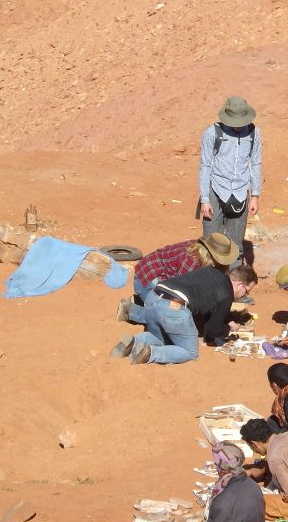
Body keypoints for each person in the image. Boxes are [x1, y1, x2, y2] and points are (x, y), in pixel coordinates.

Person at [109, 264, 257, 365]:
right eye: (247, 290)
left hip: (153, 297)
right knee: (189, 352)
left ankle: (133, 341)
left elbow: (204, 308)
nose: (245, 295)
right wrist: (229, 328)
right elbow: (212, 331)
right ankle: (151, 354)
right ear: (238, 284)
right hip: (174, 306)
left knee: (160, 338)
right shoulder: (226, 295)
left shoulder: (211, 271)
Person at [117, 233, 239, 325]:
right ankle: (130, 310)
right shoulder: (191, 261)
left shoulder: (201, 254)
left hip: (161, 278)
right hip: (147, 278)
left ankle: (142, 300)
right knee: (171, 318)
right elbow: (179, 292)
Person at [198, 96, 263, 262]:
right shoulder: (212, 133)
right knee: (211, 244)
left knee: (236, 246)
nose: (239, 126)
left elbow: (255, 163)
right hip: (215, 191)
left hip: (241, 193)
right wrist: (205, 199)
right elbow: (205, 166)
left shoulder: (254, 133)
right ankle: (211, 283)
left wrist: (255, 196)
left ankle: (232, 285)